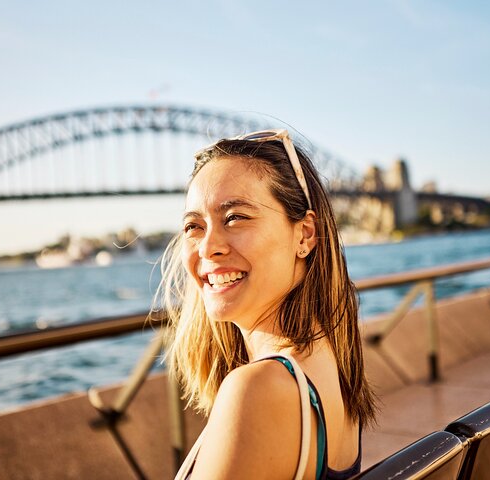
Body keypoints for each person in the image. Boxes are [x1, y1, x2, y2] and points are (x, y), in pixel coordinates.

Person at [156, 128, 377, 479]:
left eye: (235, 218)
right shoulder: (328, 361)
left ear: (304, 234)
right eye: (193, 226)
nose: (208, 247)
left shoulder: (257, 390)